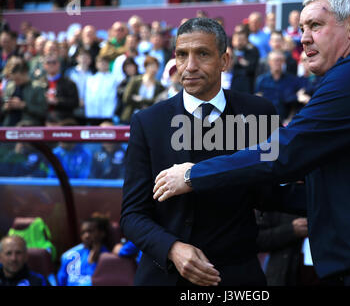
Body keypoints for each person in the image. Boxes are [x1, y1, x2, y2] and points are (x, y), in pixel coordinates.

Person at [153, 0, 350, 286]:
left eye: (315, 26)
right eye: (301, 28)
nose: (304, 37)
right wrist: (249, 191)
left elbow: (285, 152)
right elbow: (337, 186)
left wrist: (194, 175)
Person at [120, 17, 299, 286]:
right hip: (167, 277)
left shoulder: (259, 113)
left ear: (225, 61)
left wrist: (331, 196)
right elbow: (132, 215)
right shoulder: (148, 122)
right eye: (182, 55)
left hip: (237, 276)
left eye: (202, 54)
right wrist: (173, 249)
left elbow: (270, 193)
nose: (189, 66)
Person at [57, 215, 110, 286]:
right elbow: (61, 280)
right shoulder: (70, 255)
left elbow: (97, 281)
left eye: (90, 231)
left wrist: (93, 260)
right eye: (83, 233)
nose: (86, 236)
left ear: (102, 233)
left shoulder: (106, 256)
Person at [255, 50, 304, 125]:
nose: (277, 63)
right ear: (269, 62)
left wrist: (290, 120)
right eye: (275, 60)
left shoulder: (293, 80)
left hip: (286, 123)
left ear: (284, 62)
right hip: (265, 122)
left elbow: (295, 104)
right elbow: (257, 102)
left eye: (280, 60)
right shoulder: (261, 80)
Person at [1, 58, 47, 126]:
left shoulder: (37, 88)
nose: (15, 82)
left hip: (29, 127)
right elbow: (2, 112)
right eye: (13, 80)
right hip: (9, 126)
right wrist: (6, 107)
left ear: (25, 73)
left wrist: (24, 106)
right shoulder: (10, 86)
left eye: (17, 79)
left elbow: (43, 112)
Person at [120, 56, 165, 124]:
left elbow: (157, 101)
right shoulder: (135, 80)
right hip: (131, 117)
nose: (154, 69)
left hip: (150, 118)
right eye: (151, 66)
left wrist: (141, 99)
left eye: (156, 67)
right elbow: (126, 98)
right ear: (146, 67)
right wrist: (144, 104)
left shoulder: (159, 85)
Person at [36, 54, 79, 124]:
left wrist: (57, 101)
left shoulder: (69, 83)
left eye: (54, 62)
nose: (51, 65)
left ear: (59, 64)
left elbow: (75, 103)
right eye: (48, 62)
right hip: (42, 120)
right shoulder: (38, 84)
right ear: (44, 65)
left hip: (64, 120)